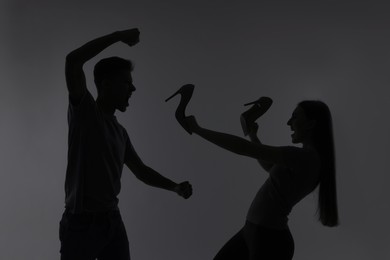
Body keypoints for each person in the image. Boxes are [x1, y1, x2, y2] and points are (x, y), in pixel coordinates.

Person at [60, 29, 193, 260]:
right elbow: (73, 60)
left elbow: (141, 170)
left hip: (112, 221)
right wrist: (118, 36)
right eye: (126, 83)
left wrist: (174, 187)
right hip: (81, 225)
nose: (132, 89)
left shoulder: (121, 133)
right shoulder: (86, 113)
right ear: (106, 84)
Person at [168, 86, 338, 260]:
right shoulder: (305, 158)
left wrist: (196, 128)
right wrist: (252, 134)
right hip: (252, 231)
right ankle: (248, 122)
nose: (289, 123)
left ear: (311, 124)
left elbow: (244, 149)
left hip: (270, 240)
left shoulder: (306, 158)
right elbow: (270, 168)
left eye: (295, 117)